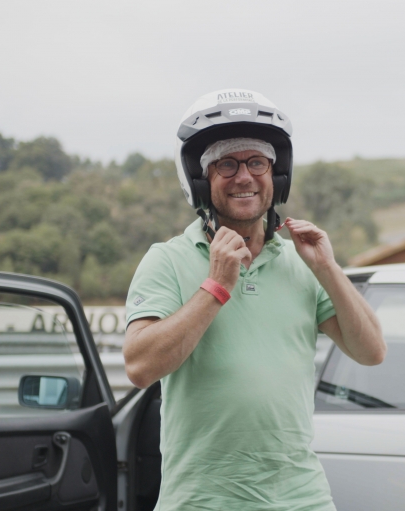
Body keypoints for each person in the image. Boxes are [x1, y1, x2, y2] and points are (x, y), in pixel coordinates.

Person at [122, 88, 385, 510]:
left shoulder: (302, 262)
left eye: (257, 162)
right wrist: (215, 287)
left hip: (302, 499)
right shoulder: (167, 260)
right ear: (200, 179)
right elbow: (139, 367)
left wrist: (327, 269)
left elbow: (371, 351)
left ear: (276, 175)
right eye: (227, 163)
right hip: (202, 501)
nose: (244, 176)